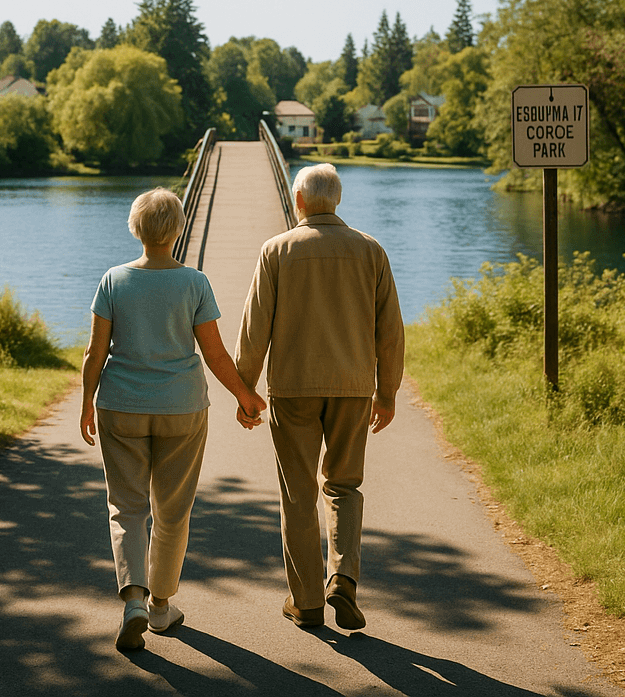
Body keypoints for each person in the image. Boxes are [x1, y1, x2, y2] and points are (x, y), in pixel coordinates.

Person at [80, 187, 268, 652]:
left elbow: (94, 352)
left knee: (126, 507)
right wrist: (246, 395)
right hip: (182, 409)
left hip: (120, 406)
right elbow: (215, 352)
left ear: (135, 228)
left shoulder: (113, 280)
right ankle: (161, 607)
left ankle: (133, 602)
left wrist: (87, 401)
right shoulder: (195, 283)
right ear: (178, 230)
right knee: (172, 511)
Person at [234, 162, 404, 631]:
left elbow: (255, 328)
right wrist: (386, 392)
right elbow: (389, 332)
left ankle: (306, 600)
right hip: (353, 388)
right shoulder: (371, 250)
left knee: (298, 493)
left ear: (299, 202)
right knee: (344, 486)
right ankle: (343, 579)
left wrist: (245, 389)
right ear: (338, 200)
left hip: (292, 389)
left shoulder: (277, 250)